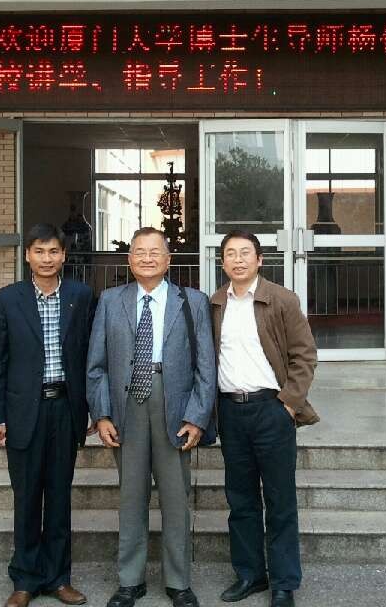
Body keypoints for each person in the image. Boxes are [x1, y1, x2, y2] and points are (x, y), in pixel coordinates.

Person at [87, 227, 216, 607]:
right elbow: (96, 365)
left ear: (168, 259)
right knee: (131, 496)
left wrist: (197, 416)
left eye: (154, 252)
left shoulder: (192, 301)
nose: (147, 258)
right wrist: (102, 414)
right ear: (129, 260)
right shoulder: (110, 300)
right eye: (139, 252)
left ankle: (179, 582)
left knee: (176, 498)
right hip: (126, 404)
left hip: (173, 402)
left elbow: (205, 366)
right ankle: (130, 580)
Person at [0, 223, 96, 607]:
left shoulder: (81, 296)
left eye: (53, 252)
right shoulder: (7, 299)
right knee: (28, 497)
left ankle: (59, 578)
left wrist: (93, 409)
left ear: (63, 256)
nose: (47, 259)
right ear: (27, 256)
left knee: (60, 497)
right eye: (39, 251)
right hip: (23, 412)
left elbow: (90, 357)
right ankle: (25, 579)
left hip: (65, 409)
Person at [209, 231, 319, 607]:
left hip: (272, 409)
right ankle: (250, 574)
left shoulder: (281, 299)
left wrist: (288, 403)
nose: (238, 260)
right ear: (222, 262)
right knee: (240, 499)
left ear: (259, 260)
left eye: (245, 253)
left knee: (279, 498)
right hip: (231, 411)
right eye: (230, 254)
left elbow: (304, 355)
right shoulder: (215, 303)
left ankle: (284, 582)